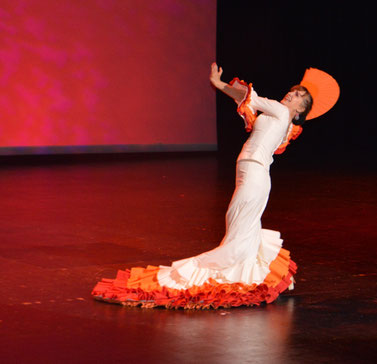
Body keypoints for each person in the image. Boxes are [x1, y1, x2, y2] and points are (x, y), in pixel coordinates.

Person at [92, 63, 339, 309]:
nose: (292, 94)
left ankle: (230, 275)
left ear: (299, 112)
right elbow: (248, 102)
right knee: (241, 226)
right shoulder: (277, 116)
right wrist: (223, 87)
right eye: (294, 90)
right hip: (251, 172)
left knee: (238, 226)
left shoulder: (282, 113)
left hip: (255, 174)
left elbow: (250, 97)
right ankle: (250, 276)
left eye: (299, 97)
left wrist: (219, 84)